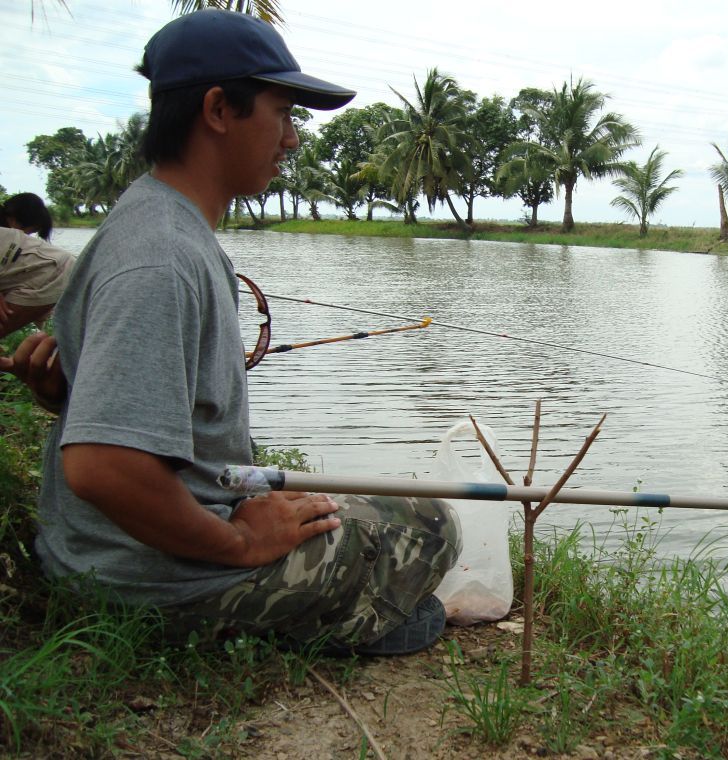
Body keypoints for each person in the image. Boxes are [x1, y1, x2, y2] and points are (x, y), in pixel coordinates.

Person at [0, 9, 460, 655]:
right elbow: (101, 466)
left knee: (340, 500)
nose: (292, 139)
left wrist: (63, 395)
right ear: (219, 110)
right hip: (145, 578)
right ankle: (314, 620)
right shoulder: (162, 257)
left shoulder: (151, 222)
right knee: (433, 523)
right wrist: (242, 542)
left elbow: (116, 418)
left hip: (109, 552)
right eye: (283, 113)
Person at [0, 193, 76, 339]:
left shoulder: (13, 245)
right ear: (13, 220)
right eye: (31, 232)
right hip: (58, 273)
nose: (26, 237)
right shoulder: (8, 238)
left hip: (53, 277)